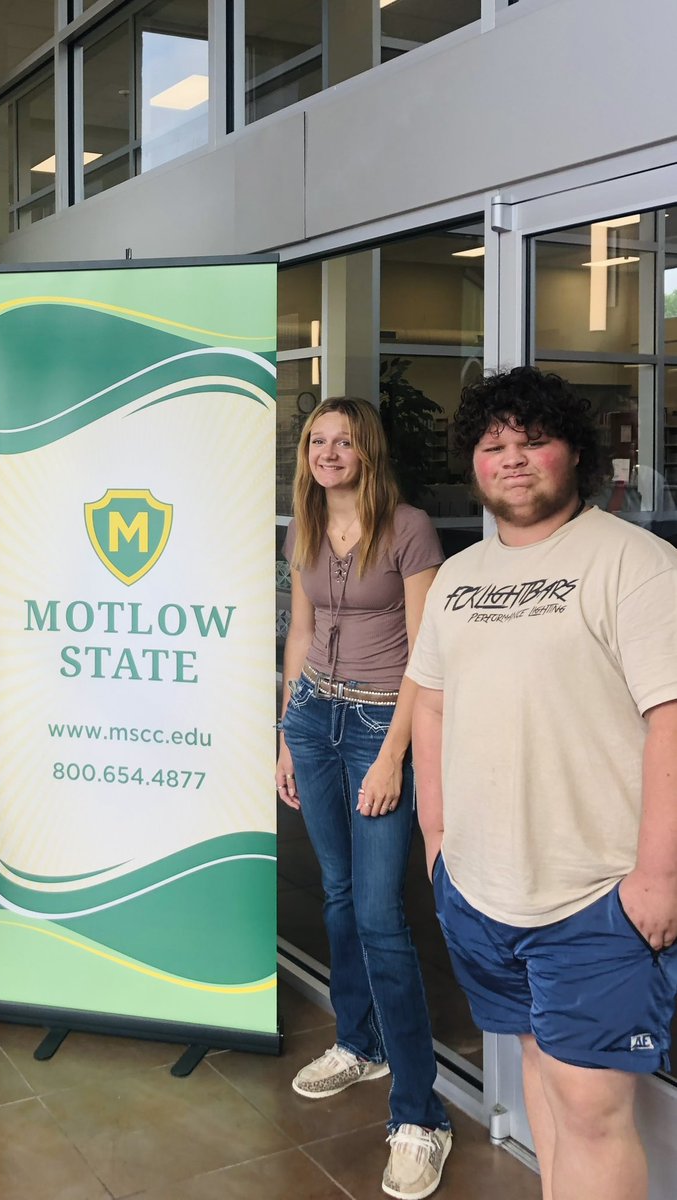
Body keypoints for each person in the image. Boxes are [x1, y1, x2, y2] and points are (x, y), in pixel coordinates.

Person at [408, 366, 677, 1200]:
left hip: (594, 894)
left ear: (575, 455)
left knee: (591, 1108)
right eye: (494, 445)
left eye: (533, 442)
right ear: (473, 462)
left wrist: (658, 876)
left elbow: (670, 718)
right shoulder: (458, 578)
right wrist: (436, 846)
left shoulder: (634, 562)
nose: (512, 459)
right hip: (481, 890)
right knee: (539, 1079)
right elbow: (432, 712)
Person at [275, 398, 452, 1199]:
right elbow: (300, 632)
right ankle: (359, 1042)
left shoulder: (409, 527)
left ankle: (419, 1115)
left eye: (343, 440)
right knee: (339, 896)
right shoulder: (305, 525)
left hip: (382, 721)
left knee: (381, 915)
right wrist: (284, 731)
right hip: (314, 719)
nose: (328, 452)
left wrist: (393, 757)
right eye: (318, 440)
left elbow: (428, 652)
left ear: (367, 450)